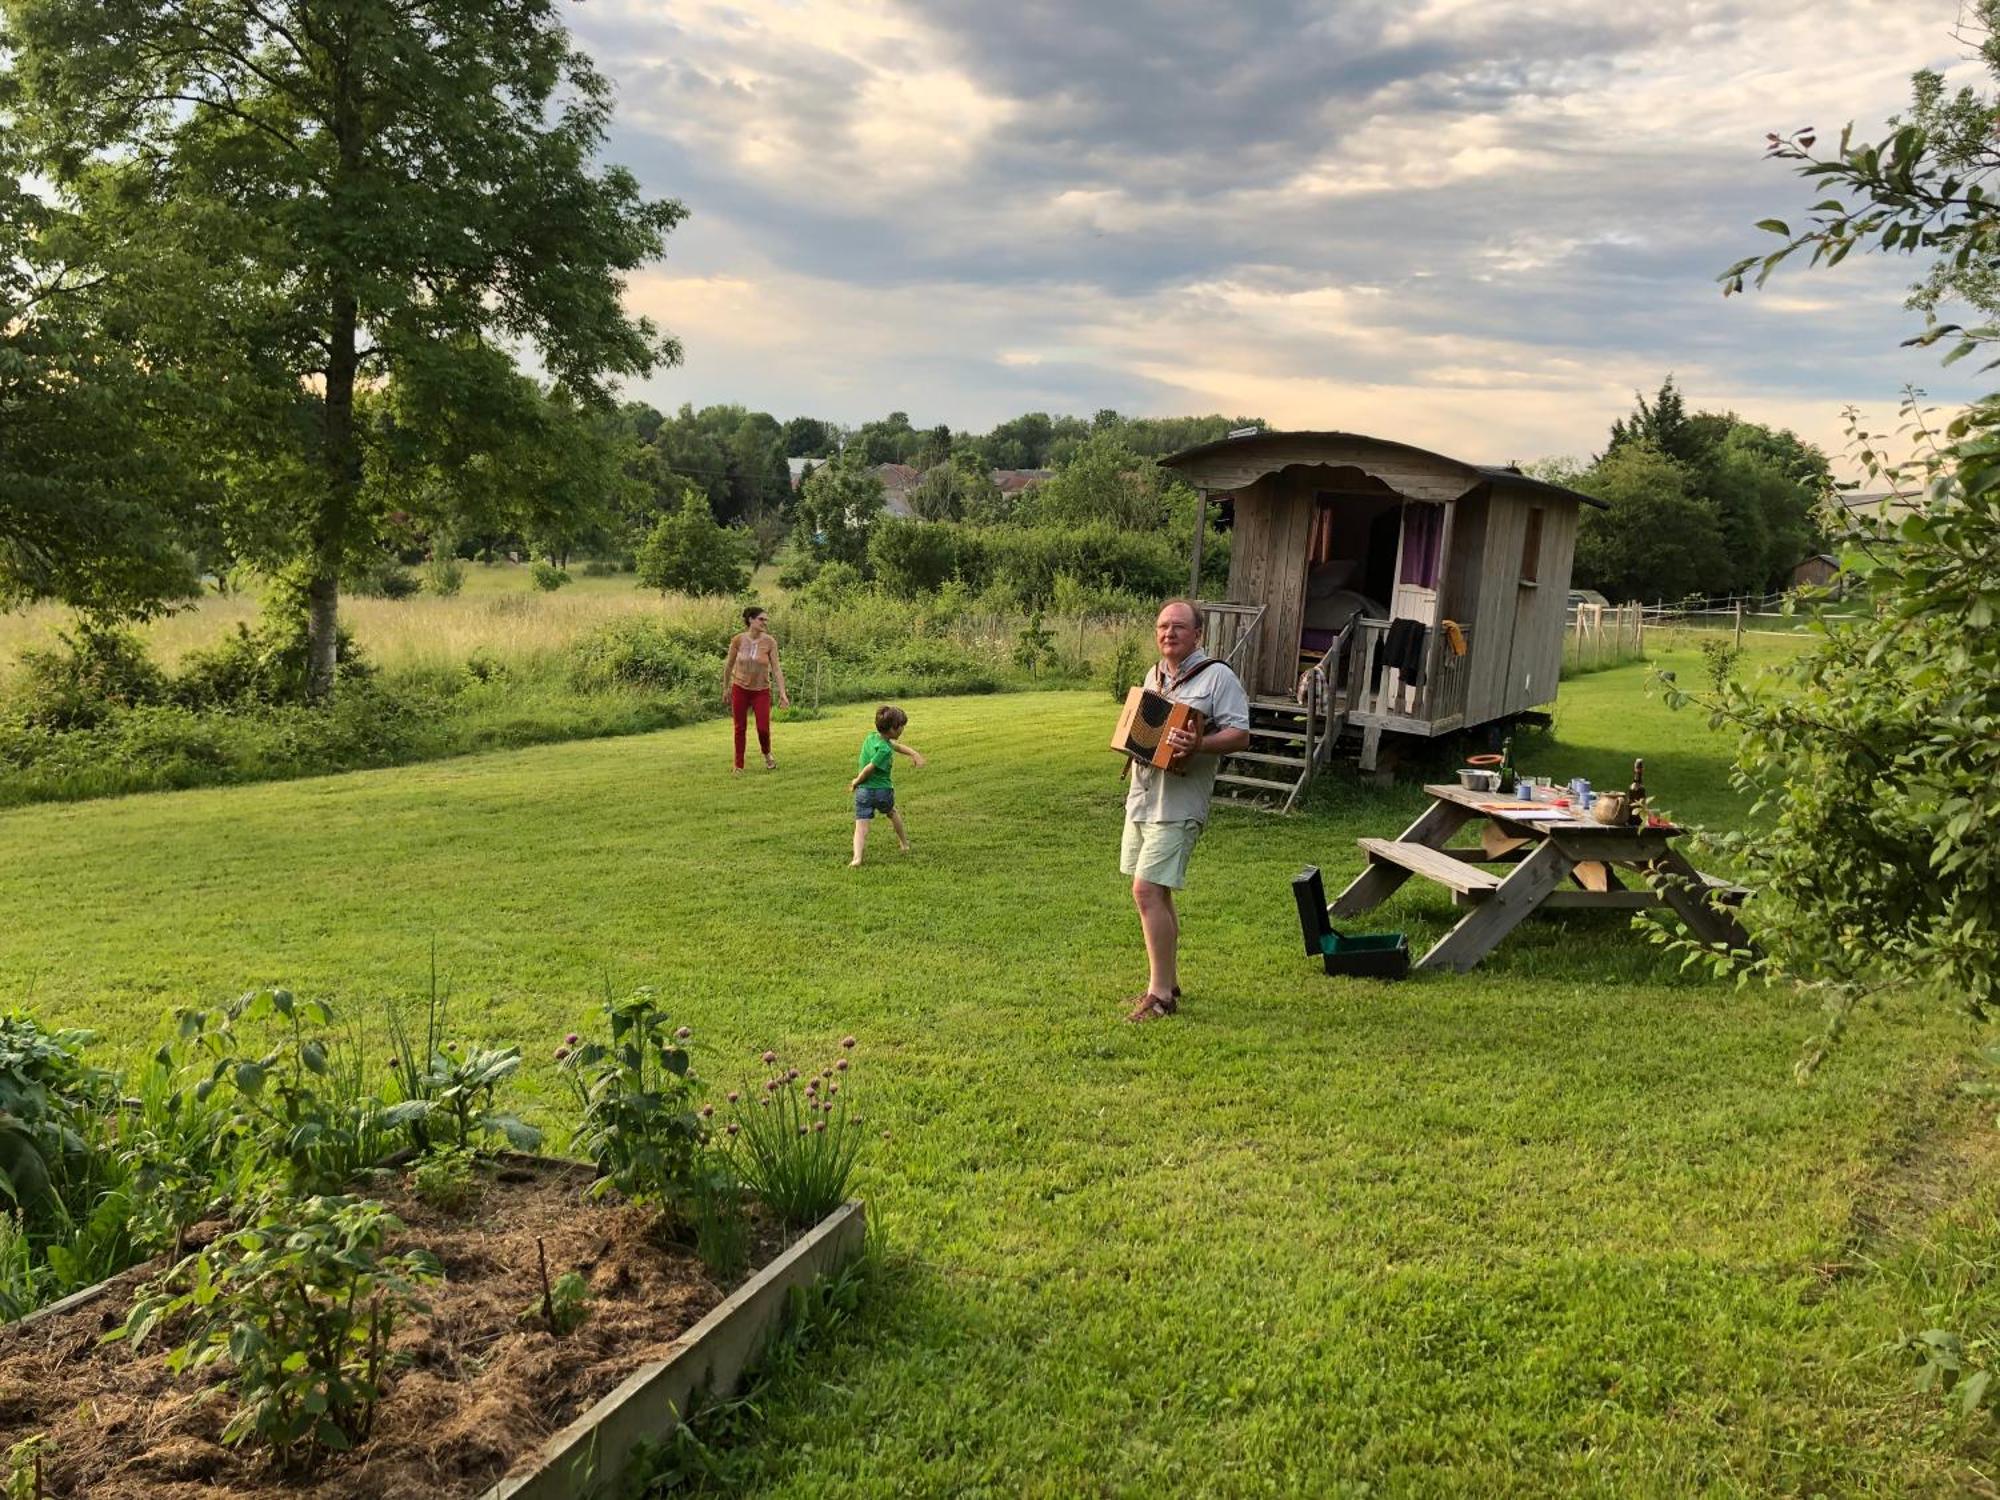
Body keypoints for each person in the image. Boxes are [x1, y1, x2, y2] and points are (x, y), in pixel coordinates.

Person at [1120, 599, 1250, 1022]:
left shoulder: (1217, 677)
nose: (1168, 633)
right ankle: (1168, 981)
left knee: (1146, 890)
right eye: (1162, 626)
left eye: (1178, 626)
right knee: (1158, 890)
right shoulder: (1153, 676)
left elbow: (1240, 733)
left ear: (1199, 634)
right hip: (1144, 797)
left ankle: (1160, 996)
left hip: (1180, 801)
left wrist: (1200, 745)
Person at [848, 704, 926, 866]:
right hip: (882, 791)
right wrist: (857, 780)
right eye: (901, 727)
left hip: (864, 793)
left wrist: (913, 753)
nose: (903, 730)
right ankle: (904, 843)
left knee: (861, 826)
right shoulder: (884, 750)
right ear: (892, 729)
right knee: (891, 812)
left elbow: (896, 746)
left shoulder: (871, 738)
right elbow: (869, 768)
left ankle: (857, 857)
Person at [722, 607, 789, 773]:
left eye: (766, 620)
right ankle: (738, 765)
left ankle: (767, 754)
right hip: (740, 688)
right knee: (740, 727)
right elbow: (729, 665)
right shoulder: (737, 640)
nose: (764, 623)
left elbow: (776, 669)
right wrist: (725, 687)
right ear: (750, 620)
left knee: (763, 728)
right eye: (761, 619)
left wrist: (783, 693)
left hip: (761, 690)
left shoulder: (769, 642)